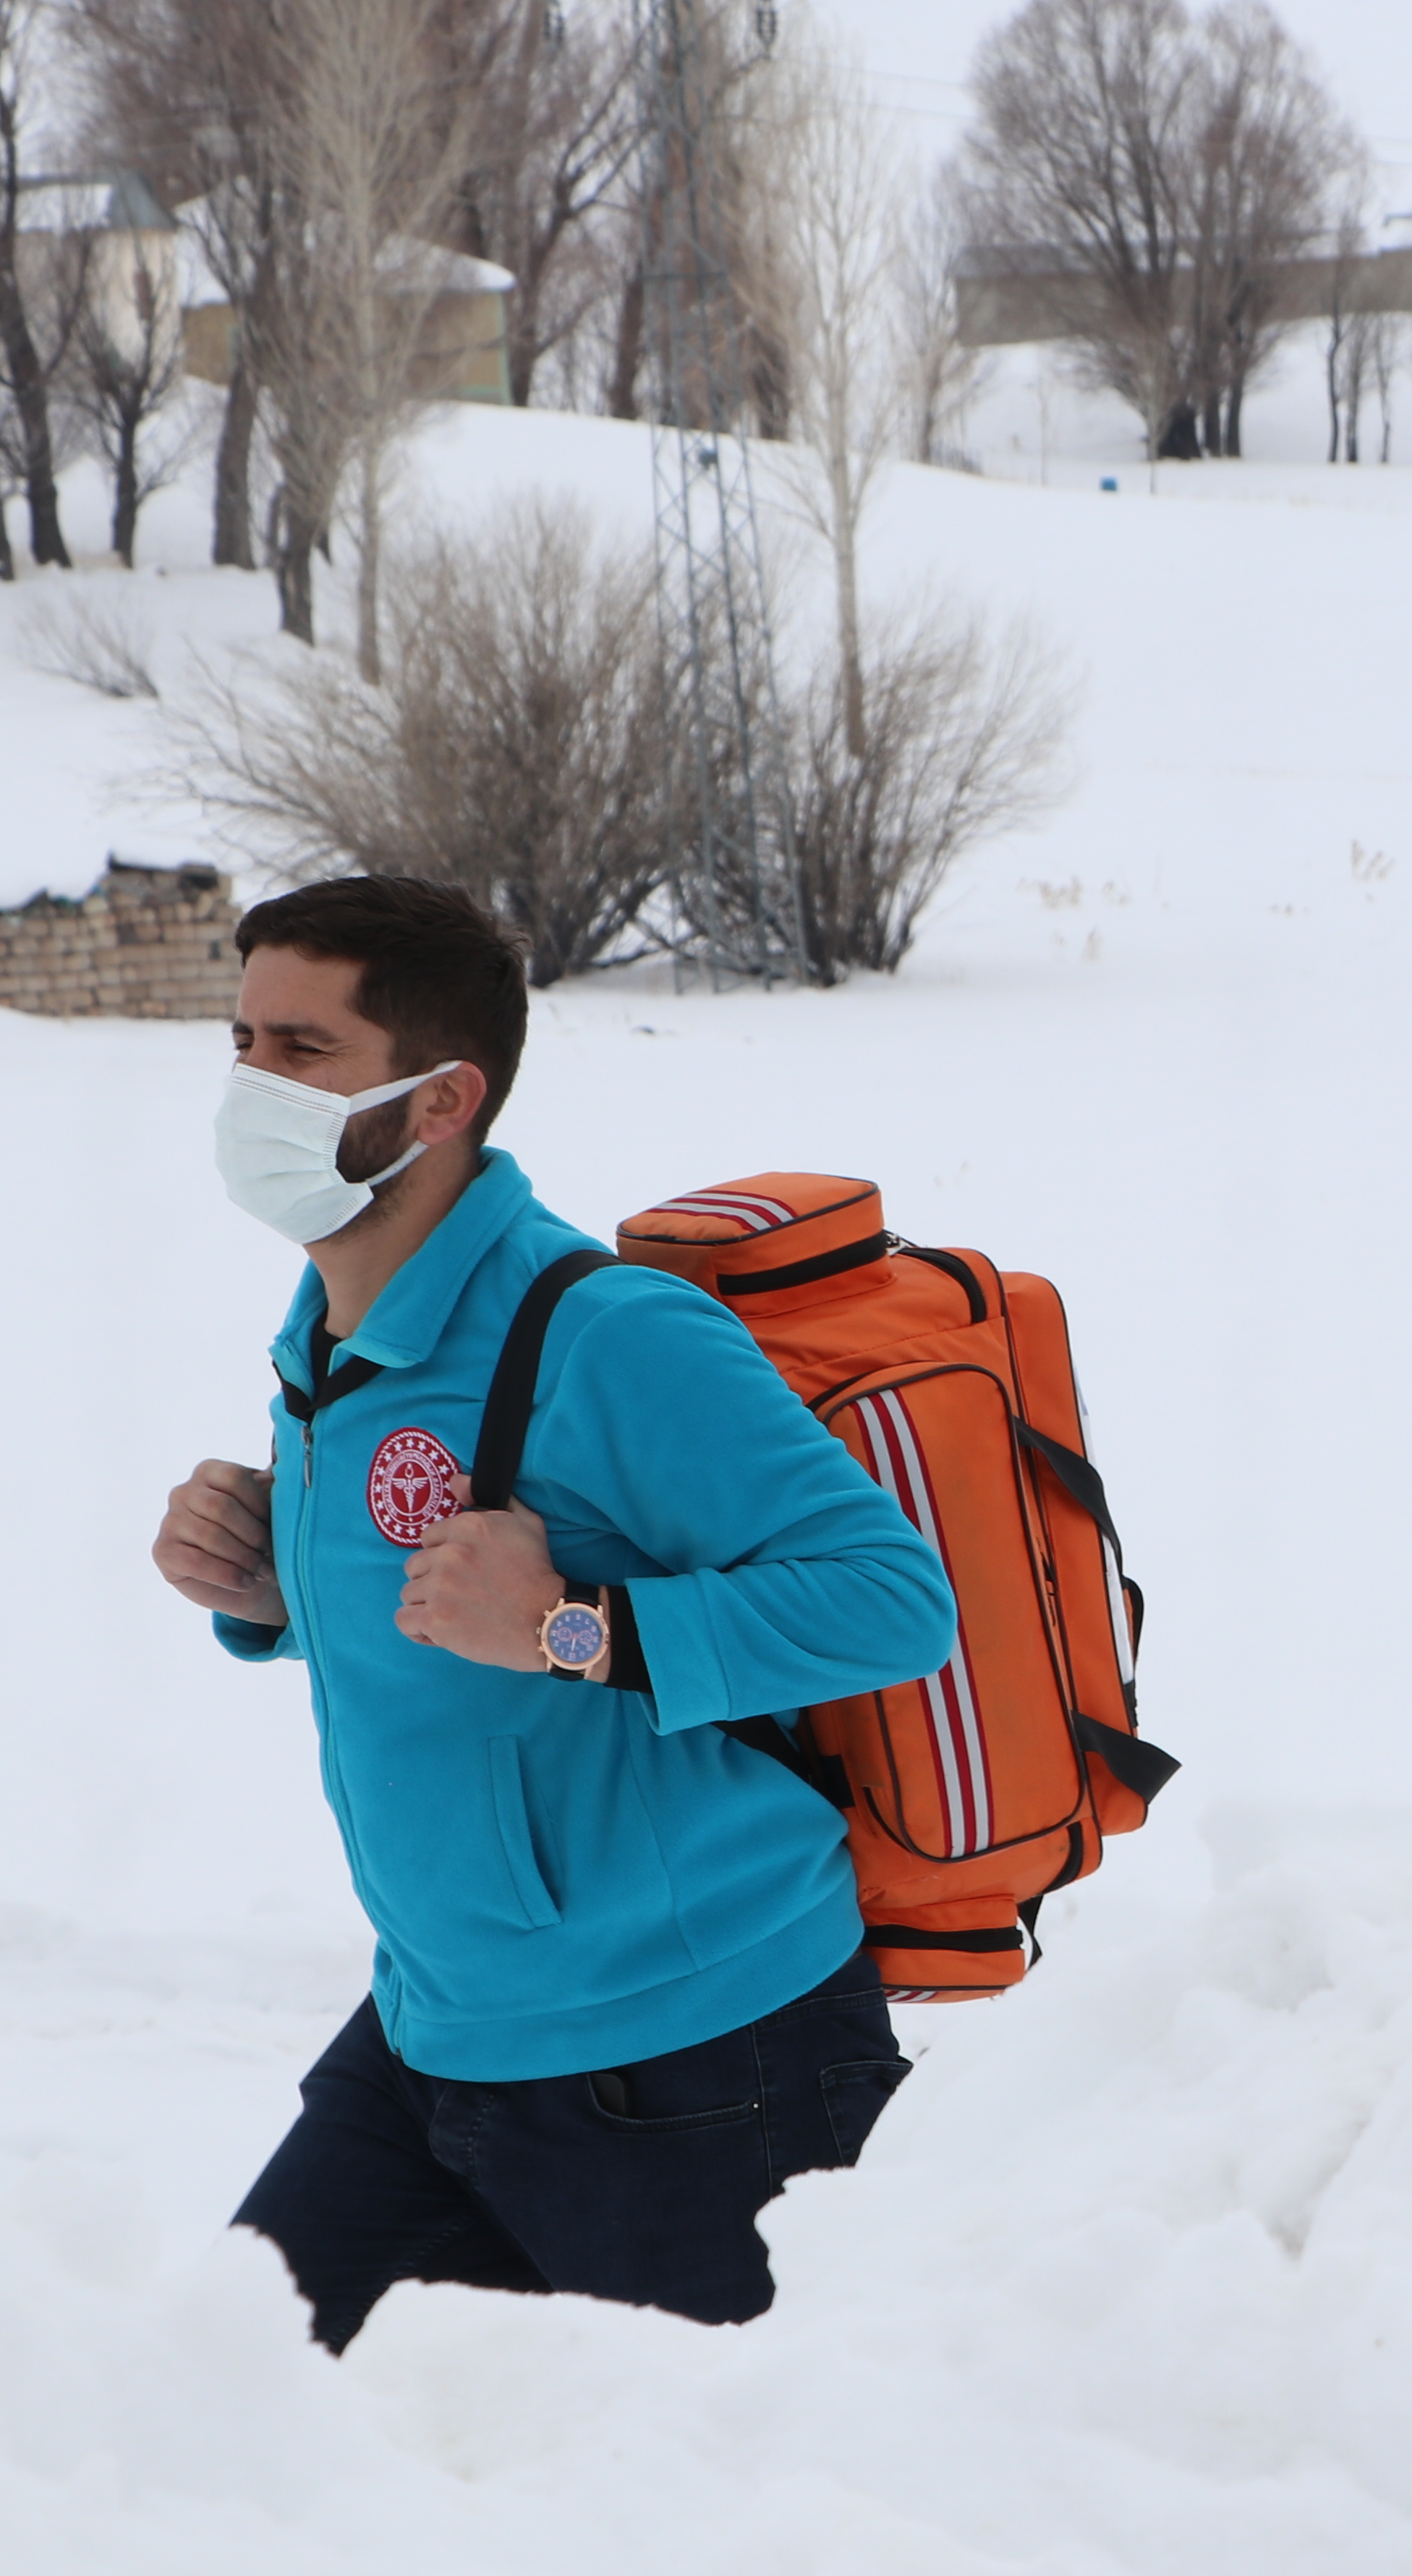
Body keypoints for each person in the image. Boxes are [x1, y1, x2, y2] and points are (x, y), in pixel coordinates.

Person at [149, 875, 957, 2350]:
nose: (247, 1084)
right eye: (242, 1037)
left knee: (716, 2526)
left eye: (301, 1049)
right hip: (433, 2029)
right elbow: (434, 1625)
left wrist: (577, 1624)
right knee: (228, 2427)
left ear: (442, 1095)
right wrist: (271, 1594)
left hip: (706, 2053)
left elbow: (896, 1602)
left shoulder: (607, 1333)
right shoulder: (335, 1336)